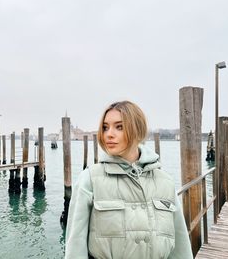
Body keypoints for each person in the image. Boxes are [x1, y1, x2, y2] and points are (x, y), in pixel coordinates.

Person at [65, 101, 193, 259]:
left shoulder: (165, 182)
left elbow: (181, 248)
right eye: (105, 127)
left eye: (119, 127)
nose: (109, 134)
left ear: (138, 130)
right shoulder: (89, 180)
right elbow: (75, 248)